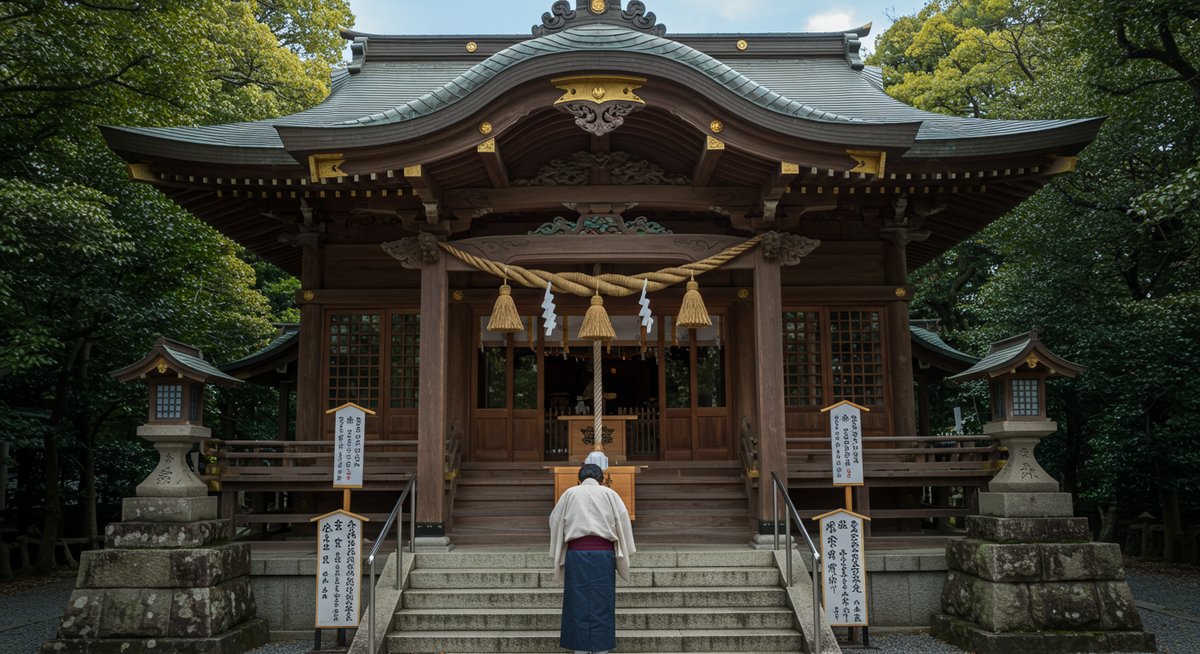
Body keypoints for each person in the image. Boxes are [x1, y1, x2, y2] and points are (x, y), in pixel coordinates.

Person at [549, 463, 636, 654]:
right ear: (601, 479)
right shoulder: (610, 494)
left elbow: (555, 521)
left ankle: (579, 649)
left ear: (579, 479)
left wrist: (560, 546)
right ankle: (601, 649)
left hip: (576, 555)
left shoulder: (570, 493)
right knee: (602, 602)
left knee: (576, 602)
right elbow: (622, 521)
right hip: (603, 555)